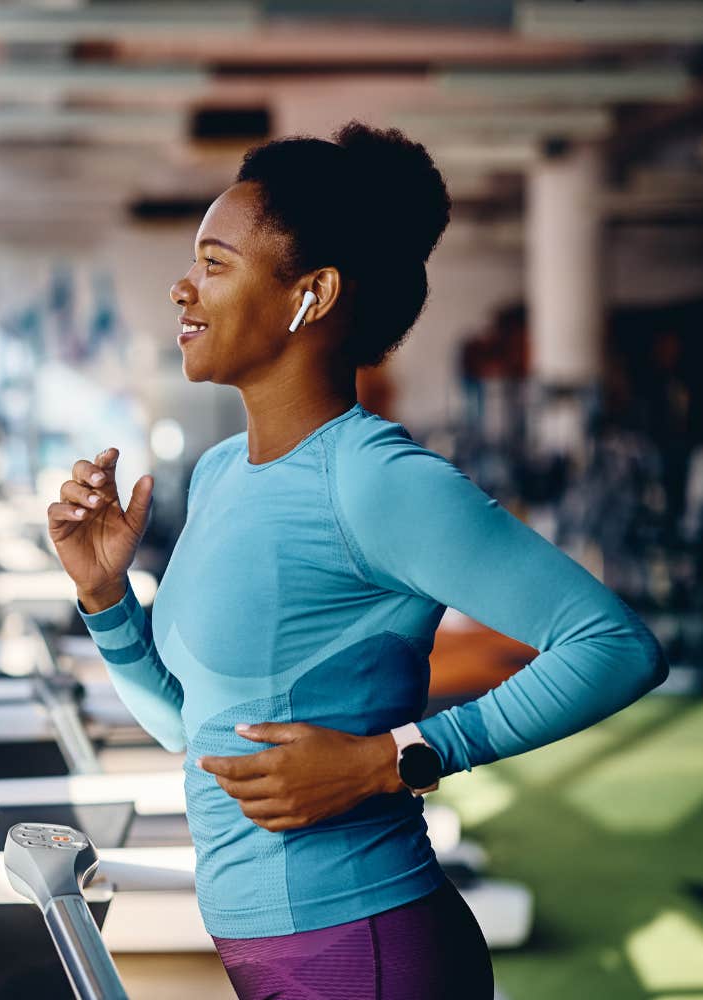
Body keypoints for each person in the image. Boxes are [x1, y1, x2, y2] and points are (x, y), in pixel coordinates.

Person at [47, 122, 668, 1000]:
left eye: (216, 263)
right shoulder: (225, 471)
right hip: (267, 944)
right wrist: (105, 598)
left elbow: (614, 647)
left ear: (312, 295)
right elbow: (200, 736)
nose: (182, 287)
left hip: (366, 946)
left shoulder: (375, 479)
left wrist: (398, 759)